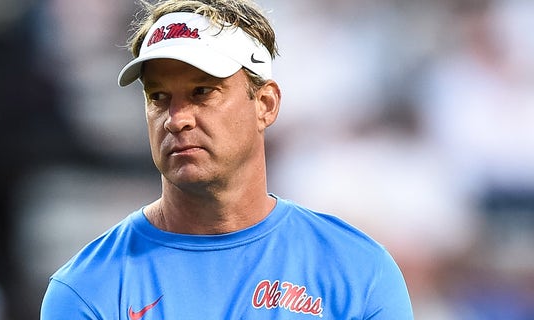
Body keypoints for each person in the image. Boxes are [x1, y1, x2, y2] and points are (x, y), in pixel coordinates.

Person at [40, 0, 414, 319]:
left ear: (265, 104)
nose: (176, 117)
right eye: (158, 97)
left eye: (202, 92)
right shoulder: (86, 290)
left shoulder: (359, 273)